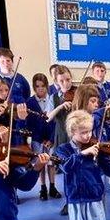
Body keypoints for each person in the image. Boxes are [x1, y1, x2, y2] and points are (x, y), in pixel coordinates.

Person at [27, 72, 62, 201]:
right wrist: (40, 139)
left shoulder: (53, 99)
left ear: (47, 86)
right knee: (40, 163)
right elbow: (30, 124)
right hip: (38, 139)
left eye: (43, 86)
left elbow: (55, 122)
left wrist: (51, 139)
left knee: (51, 163)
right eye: (37, 86)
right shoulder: (30, 102)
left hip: (50, 138)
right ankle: (43, 188)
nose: (40, 88)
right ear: (34, 87)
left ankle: (53, 187)